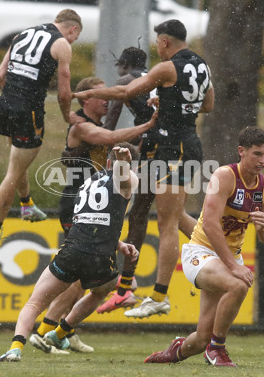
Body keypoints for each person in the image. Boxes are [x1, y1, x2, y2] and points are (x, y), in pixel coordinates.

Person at [74, 19, 214, 319]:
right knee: (174, 217)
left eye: (158, 44)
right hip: (184, 144)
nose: (157, 50)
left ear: (164, 42)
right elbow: (208, 104)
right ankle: (220, 253)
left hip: (172, 149)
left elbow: (126, 93)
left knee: (166, 223)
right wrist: (169, 99)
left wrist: (82, 96)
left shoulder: (166, 68)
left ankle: (159, 296)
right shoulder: (202, 66)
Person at [28, 76, 157, 354]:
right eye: (101, 95)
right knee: (78, 275)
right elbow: (110, 139)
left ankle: (64, 330)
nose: (107, 99)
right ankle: (46, 331)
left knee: (86, 276)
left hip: (95, 208)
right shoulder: (80, 125)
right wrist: (149, 125)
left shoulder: (97, 123)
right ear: (86, 99)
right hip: (78, 206)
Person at [144, 126, 264, 367]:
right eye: (257, 153)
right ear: (241, 151)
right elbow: (210, 225)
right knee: (238, 285)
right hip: (201, 253)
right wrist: (233, 266)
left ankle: (176, 351)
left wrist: (262, 229)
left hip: (226, 259)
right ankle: (217, 349)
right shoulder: (224, 176)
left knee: (201, 338)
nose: (263, 160)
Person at [0, 144, 140, 362]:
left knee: (34, 303)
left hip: (72, 250)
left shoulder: (88, 182)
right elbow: (125, 181)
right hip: (100, 256)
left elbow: (90, 220)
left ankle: (15, 349)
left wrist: (118, 244)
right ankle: (61, 332)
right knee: (101, 291)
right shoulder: (128, 177)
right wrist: (124, 164)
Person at [90, 46, 196, 314]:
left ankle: (125, 287)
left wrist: (92, 140)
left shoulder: (126, 80)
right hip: (167, 144)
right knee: (169, 214)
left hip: (157, 148)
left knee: (140, 215)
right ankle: (217, 249)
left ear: (123, 65)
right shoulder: (155, 75)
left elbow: (109, 126)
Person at [0, 9, 83, 262]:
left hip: (3, 105)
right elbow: (64, 92)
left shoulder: (22, 35)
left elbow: (0, 75)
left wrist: (14, 98)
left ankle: (27, 205)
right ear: (73, 30)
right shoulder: (61, 44)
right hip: (28, 112)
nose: (72, 43)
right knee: (13, 173)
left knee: (18, 160)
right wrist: (68, 116)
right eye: (74, 38)